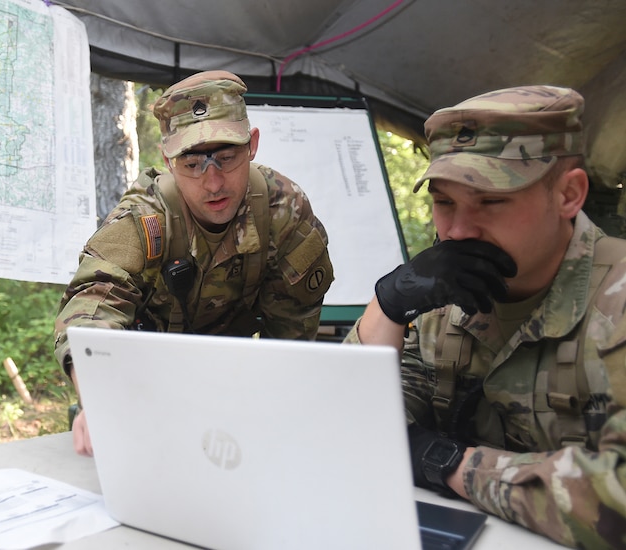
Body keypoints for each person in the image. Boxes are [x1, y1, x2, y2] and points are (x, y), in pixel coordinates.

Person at [345, 85, 626, 548]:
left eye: (490, 201)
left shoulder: (614, 301)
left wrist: (451, 464)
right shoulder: (443, 304)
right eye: (444, 202)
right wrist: (389, 304)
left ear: (569, 195)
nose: (457, 231)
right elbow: (348, 429)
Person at [54, 70, 334, 457]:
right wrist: (99, 397)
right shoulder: (145, 220)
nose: (214, 182)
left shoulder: (282, 212)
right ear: (167, 160)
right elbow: (88, 312)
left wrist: (270, 421)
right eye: (192, 162)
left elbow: (291, 340)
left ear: (252, 145)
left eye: (226, 157)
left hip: (238, 393)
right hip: (142, 394)